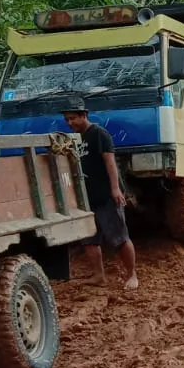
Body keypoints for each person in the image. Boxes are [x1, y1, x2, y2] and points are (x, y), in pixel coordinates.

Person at [62, 100, 138, 290]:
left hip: (106, 196)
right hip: (87, 197)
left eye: (73, 119)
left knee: (119, 237)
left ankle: (132, 275)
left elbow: (110, 162)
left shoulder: (99, 134)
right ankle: (98, 276)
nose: (70, 123)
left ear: (83, 116)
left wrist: (115, 189)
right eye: (67, 120)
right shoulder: (75, 139)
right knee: (89, 239)